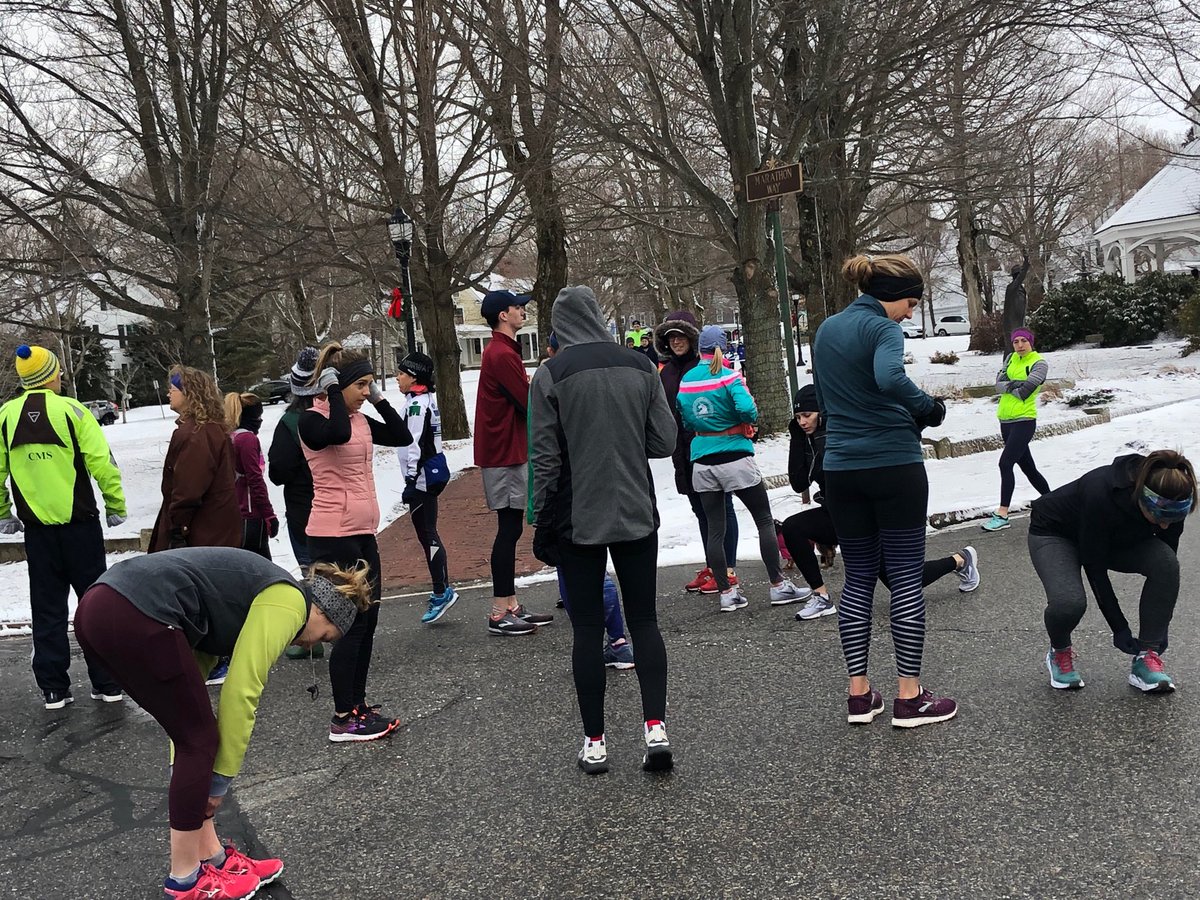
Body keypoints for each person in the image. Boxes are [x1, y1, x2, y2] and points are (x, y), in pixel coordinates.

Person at [73, 547, 372, 900]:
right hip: (135, 612)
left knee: (192, 737)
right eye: (324, 636)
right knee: (200, 741)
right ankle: (184, 880)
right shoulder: (290, 600)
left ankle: (212, 857)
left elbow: (190, 703)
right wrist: (217, 784)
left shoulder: (235, 603)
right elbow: (242, 689)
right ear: (319, 609)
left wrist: (195, 777)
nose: (312, 645)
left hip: (99, 608)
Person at [530, 285, 677, 774]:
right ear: (598, 317)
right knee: (645, 622)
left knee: (588, 629)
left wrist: (539, 516)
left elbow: (544, 458)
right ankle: (655, 729)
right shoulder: (641, 366)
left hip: (578, 514)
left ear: (559, 324)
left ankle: (595, 741)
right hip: (636, 508)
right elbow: (664, 440)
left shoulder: (551, 374)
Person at [812, 253, 956, 728]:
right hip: (893, 464)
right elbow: (889, 377)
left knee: (857, 580)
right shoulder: (884, 329)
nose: (911, 313)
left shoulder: (827, 329)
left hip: (841, 469)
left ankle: (859, 695)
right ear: (892, 296)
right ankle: (909, 698)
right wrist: (928, 406)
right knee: (905, 579)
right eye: (911, 303)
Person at [781, 385, 980, 623]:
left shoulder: (841, 430)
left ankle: (961, 560)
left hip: (867, 514)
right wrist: (796, 439)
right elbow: (797, 482)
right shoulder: (806, 439)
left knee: (901, 583)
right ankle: (821, 597)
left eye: (807, 415)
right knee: (793, 527)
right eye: (798, 417)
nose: (803, 422)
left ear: (822, 412)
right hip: (838, 514)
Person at [0, 344, 127, 709]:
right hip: (81, 527)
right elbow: (101, 462)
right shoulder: (72, 410)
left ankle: (54, 687)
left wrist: (4, 511)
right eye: (57, 372)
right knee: (95, 605)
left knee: (47, 608)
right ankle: (106, 682)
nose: (60, 377)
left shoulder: (6, 416)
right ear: (49, 375)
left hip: (38, 531)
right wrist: (115, 504)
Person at [300, 342, 412, 742]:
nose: (367, 392)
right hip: (332, 535)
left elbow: (400, 435)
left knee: (368, 622)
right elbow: (336, 432)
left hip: (363, 534)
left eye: (370, 384)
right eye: (361, 385)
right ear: (336, 385)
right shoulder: (312, 421)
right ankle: (343, 717)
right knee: (347, 626)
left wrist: (378, 399)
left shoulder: (360, 418)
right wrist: (331, 391)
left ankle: (358, 704)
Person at [1031, 450, 1195, 693]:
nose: (1164, 525)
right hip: (1056, 532)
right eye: (1160, 516)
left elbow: (1167, 556)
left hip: (1113, 536)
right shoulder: (1100, 492)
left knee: (1166, 563)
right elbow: (1094, 567)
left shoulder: (1172, 495)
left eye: (1173, 518)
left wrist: (1160, 630)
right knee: (1069, 602)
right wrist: (1119, 627)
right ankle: (1060, 652)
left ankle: (1145, 660)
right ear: (1142, 497)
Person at [676, 326, 809, 612]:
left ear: (700, 349)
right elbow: (749, 410)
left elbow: (685, 417)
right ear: (723, 348)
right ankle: (778, 585)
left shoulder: (687, 379)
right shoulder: (728, 375)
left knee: (714, 529)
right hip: (735, 456)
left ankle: (727, 593)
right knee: (763, 519)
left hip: (701, 461)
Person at [544, 331, 634, 670]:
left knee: (578, 574)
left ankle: (599, 648)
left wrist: (542, 506)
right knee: (599, 573)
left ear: (554, 349)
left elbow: (545, 451)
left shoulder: (553, 381)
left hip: (573, 497)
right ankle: (619, 641)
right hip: (616, 490)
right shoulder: (604, 374)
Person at [474, 289, 552, 636]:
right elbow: (526, 404)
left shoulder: (502, 351)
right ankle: (498, 610)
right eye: (518, 307)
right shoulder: (501, 353)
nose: (523, 311)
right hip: (504, 453)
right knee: (508, 530)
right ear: (502, 315)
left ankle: (512, 604)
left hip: (508, 449)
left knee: (512, 528)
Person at [652, 312, 740, 594]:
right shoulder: (666, 372)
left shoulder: (707, 367)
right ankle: (713, 564)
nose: (676, 341)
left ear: (692, 339)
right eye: (670, 337)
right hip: (681, 450)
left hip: (708, 445)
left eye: (681, 336)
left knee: (720, 509)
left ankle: (728, 568)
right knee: (700, 510)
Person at [149, 366, 241, 554]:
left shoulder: (196, 434)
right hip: (214, 529)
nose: (168, 394)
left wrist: (177, 529)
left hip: (202, 533)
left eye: (173, 389)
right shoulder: (208, 429)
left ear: (188, 394)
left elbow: (188, 488)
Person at [395, 351, 457, 624]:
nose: (397, 378)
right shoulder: (420, 400)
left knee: (428, 535)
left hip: (421, 480)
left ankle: (441, 591)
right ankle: (441, 589)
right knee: (427, 533)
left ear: (414, 376)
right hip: (425, 478)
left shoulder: (418, 404)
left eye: (401, 373)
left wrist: (410, 480)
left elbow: (415, 444)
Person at [269, 348, 323, 661]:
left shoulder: (290, 423)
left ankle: (313, 635)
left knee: (311, 570)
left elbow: (279, 471)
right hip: (341, 504)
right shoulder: (337, 417)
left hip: (305, 507)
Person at [982, 327, 1052, 531]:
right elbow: (998, 385)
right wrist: (1014, 384)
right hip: (1005, 421)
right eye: (1016, 342)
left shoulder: (1039, 363)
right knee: (1029, 468)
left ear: (1031, 342)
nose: (1020, 345)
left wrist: (1010, 385)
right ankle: (1054, 502)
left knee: (1005, 463)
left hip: (1024, 421)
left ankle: (1002, 513)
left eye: (1024, 341)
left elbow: (1025, 392)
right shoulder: (1010, 358)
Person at [268, 347, 320, 569]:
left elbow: (279, 471)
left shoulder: (290, 424)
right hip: (347, 514)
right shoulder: (343, 419)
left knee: (315, 582)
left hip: (305, 512)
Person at [224, 392, 277, 559]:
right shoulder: (246, 439)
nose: (260, 421)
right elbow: (255, 479)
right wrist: (269, 514)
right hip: (250, 515)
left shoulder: (230, 437)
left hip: (233, 513)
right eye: (259, 416)